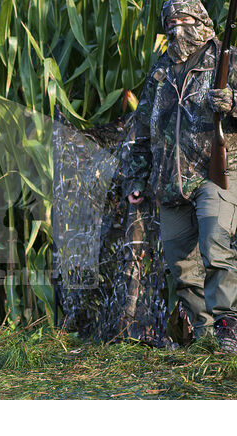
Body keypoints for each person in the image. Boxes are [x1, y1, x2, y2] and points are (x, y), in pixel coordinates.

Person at [122, 0, 237, 353]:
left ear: (201, 19)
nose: (178, 26)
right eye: (171, 21)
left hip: (216, 174)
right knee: (181, 267)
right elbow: (141, 127)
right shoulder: (161, 69)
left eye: (185, 18)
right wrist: (137, 179)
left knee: (216, 247)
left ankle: (228, 328)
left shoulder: (226, 60)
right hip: (168, 181)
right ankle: (206, 342)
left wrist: (233, 103)